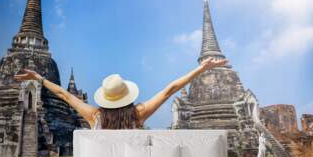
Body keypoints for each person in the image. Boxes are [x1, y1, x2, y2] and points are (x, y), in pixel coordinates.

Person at [14, 57, 228, 129]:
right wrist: (201, 69)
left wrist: (38, 78)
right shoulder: (138, 114)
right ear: (127, 95)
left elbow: (64, 95)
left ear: (105, 98)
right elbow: (169, 90)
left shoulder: (94, 116)